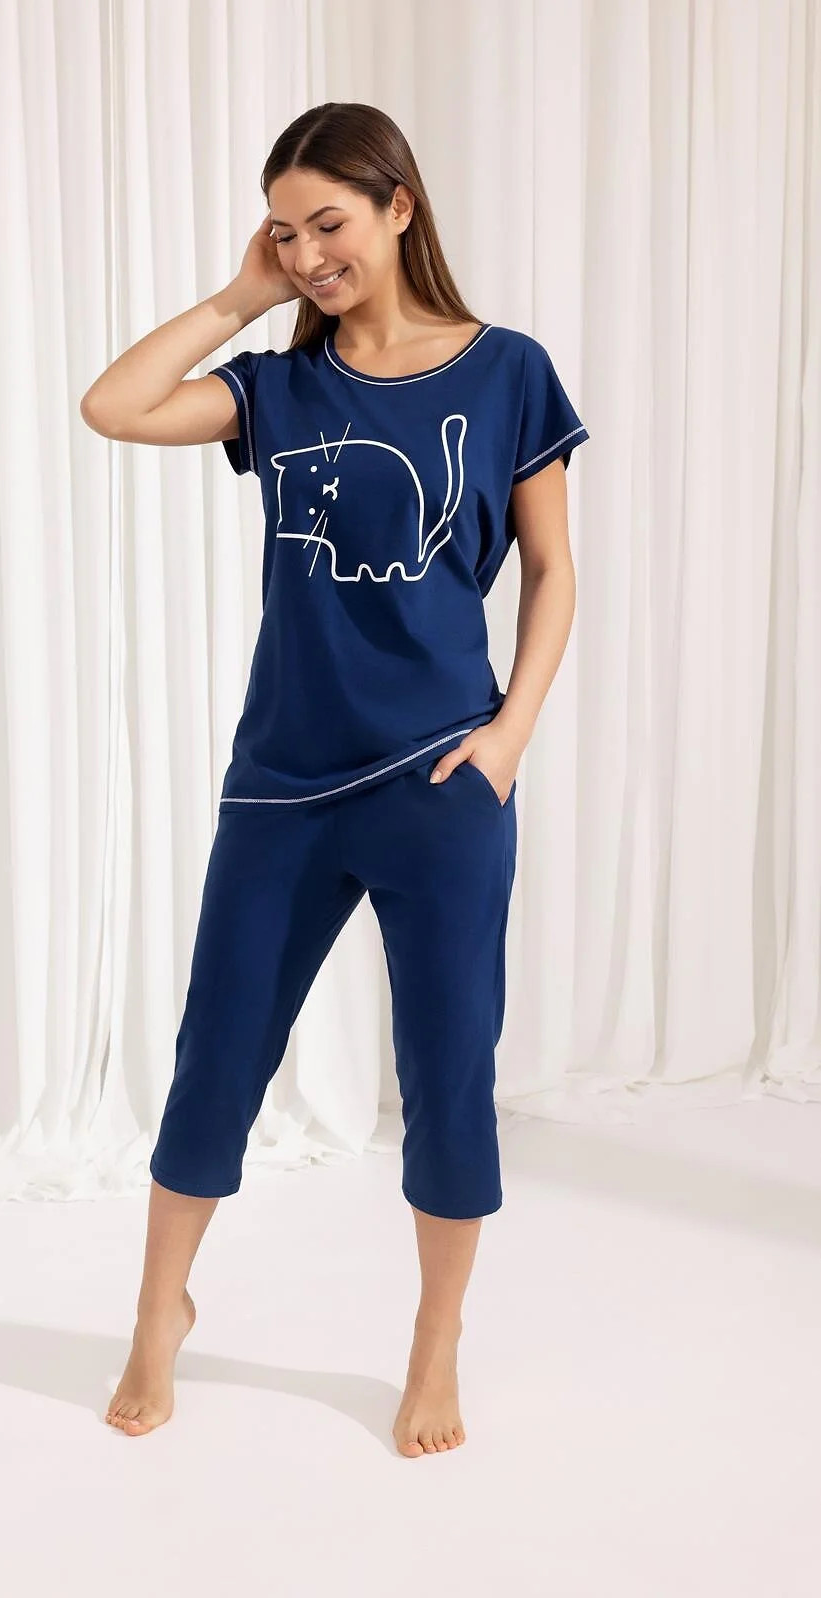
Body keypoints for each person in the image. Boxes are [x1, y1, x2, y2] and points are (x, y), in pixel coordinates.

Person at [80, 102, 588, 1456]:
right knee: (216, 1055)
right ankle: (160, 1309)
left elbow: (552, 571)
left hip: (441, 780)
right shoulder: (279, 388)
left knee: (448, 1073)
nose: (308, 255)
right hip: (283, 786)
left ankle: (435, 1342)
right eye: (285, 233)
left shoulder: (508, 371)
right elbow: (113, 407)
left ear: (399, 207)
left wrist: (508, 739)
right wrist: (238, 298)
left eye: (329, 225)